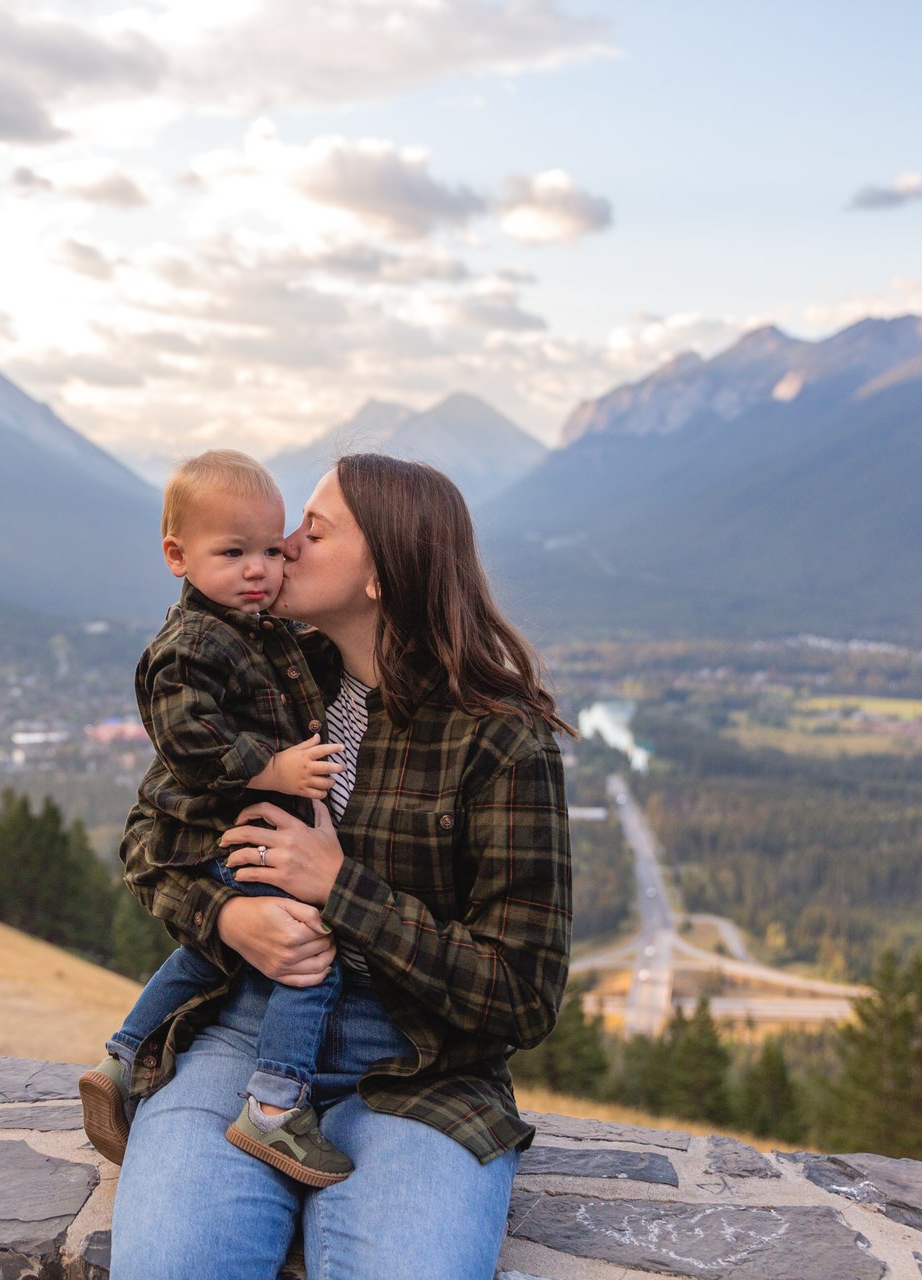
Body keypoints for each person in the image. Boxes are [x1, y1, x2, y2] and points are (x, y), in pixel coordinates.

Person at [109, 454, 574, 1280]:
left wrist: (340, 889)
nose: (282, 546)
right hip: (241, 1034)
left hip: (421, 1067)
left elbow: (522, 995)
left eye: (312, 531)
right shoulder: (269, 680)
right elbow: (150, 841)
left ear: (381, 573)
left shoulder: (498, 739)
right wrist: (226, 918)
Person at [81, 449, 356, 1187]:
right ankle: (274, 1106)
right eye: (234, 553)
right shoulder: (191, 644)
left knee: (210, 954)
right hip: (221, 835)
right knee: (309, 947)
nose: (261, 568)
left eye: (271, 549)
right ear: (177, 555)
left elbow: (308, 663)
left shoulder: (256, 628)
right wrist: (274, 769)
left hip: (237, 840)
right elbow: (187, 740)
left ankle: (126, 1059)